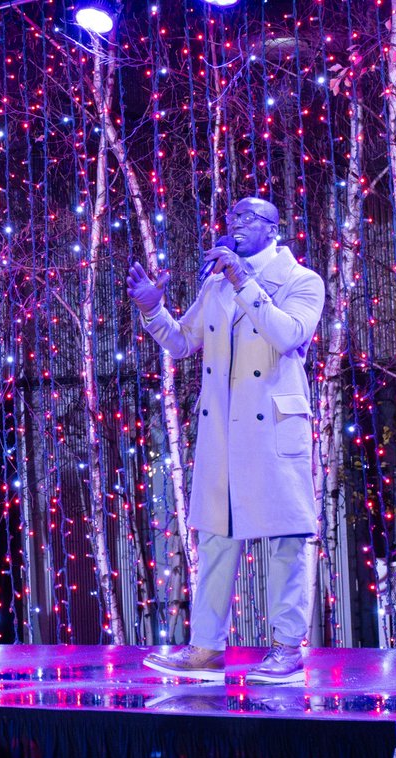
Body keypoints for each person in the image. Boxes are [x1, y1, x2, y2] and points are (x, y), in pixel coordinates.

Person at [127, 197, 325, 684]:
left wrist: (243, 281)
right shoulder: (216, 284)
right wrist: (153, 308)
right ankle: (206, 649)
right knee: (216, 539)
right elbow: (181, 342)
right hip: (222, 430)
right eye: (232, 218)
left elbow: (286, 335)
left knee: (284, 541)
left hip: (275, 431)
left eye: (247, 219)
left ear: (273, 229)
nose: (234, 225)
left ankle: (286, 649)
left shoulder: (302, 281)